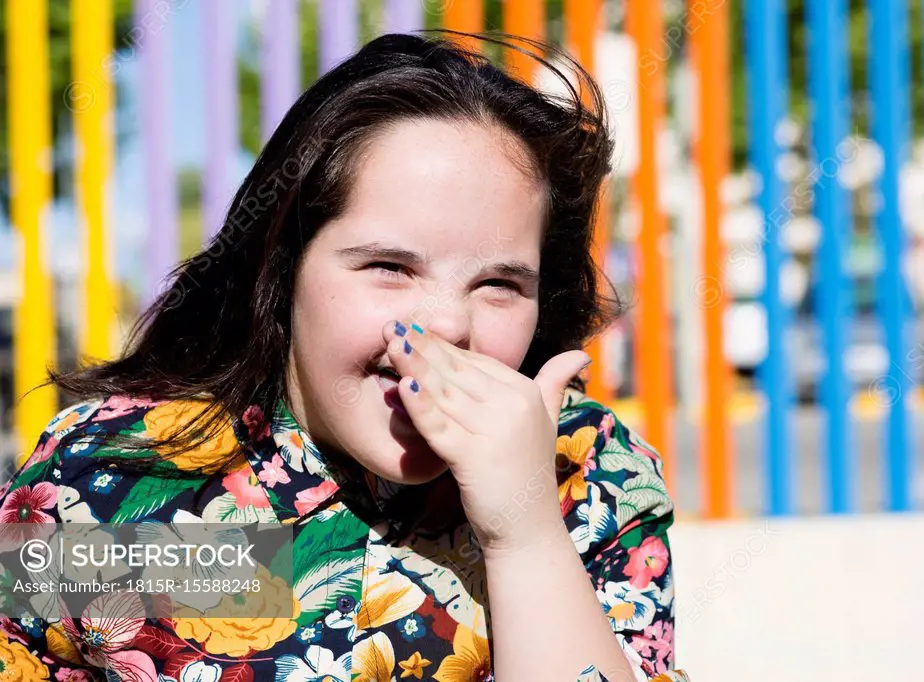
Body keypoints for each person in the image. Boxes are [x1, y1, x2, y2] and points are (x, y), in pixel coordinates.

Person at [0, 32, 687, 682]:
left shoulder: (587, 475)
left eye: (501, 284)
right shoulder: (126, 475)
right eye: (390, 267)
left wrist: (525, 532)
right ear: (284, 268)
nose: (446, 323)